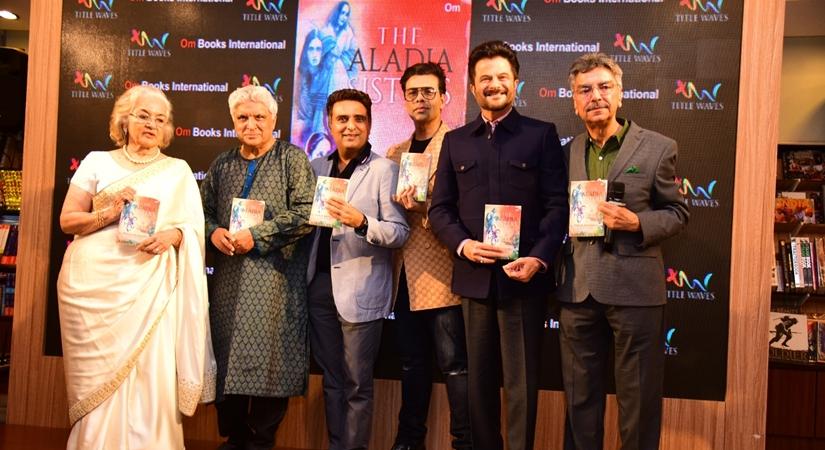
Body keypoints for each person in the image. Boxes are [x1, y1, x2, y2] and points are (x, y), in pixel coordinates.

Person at [429, 41, 569, 450]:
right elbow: (440, 211)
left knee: (523, 383)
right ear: (473, 87)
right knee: (479, 382)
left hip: (523, 281)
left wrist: (539, 258)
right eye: (485, 78)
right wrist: (464, 246)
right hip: (474, 281)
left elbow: (558, 206)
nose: (494, 85)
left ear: (516, 83)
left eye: (502, 77)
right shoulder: (455, 141)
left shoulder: (541, 135)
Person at [57, 84, 212, 450]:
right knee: (100, 383)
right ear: (124, 120)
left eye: (160, 119)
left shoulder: (178, 171)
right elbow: (68, 221)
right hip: (92, 290)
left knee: (150, 373)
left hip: (151, 287)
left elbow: (192, 228)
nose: (151, 124)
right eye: (143, 115)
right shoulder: (96, 161)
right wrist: (110, 211)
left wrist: (174, 235)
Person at [557, 53, 689, 450]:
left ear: (620, 94)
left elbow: (678, 212)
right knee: (580, 399)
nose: (595, 96)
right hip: (577, 290)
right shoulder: (565, 152)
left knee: (638, 400)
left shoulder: (658, 148)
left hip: (635, 291)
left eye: (604, 87)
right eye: (585, 90)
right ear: (574, 101)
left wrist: (637, 223)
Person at [200, 85, 317, 450]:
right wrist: (213, 231)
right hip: (228, 281)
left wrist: (257, 234)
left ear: (274, 120)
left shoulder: (291, 159)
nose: (250, 125)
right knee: (226, 353)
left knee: (272, 359)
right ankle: (235, 438)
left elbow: (306, 212)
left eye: (259, 117)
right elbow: (200, 213)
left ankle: (262, 441)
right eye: (242, 118)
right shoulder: (222, 164)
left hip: (275, 281)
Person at [307, 89, 409, 450]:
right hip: (318, 288)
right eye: (343, 119)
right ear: (329, 123)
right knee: (332, 381)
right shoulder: (317, 167)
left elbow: (399, 232)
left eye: (359, 119)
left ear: (369, 123)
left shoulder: (384, 169)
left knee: (356, 384)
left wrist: (362, 221)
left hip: (360, 291)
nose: (351, 126)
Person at [386, 62, 471, 450]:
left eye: (429, 92)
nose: (421, 99)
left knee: (455, 366)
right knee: (411, 364)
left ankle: (463, 442)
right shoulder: (394, 152)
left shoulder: (460, 146)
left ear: (444, 97)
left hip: (445, 274)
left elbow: (466, 212)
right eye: (413, 93)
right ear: (404, 100)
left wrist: (424, 207)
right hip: (403, 275)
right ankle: (409, 440)